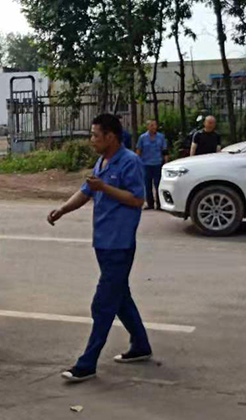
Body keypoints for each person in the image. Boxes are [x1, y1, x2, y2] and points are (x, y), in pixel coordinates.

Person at [47, 114, 152, 383]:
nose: (92, 140)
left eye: (95, 135)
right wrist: (62, 210)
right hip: (103, 242)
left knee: (103, 304)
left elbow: (137, 199)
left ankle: (87, 363)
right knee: (120, 297)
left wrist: (104, 187)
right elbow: (86, 192)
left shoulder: (129, 161)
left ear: (110, 136)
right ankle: (141, 345)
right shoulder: (102, 161)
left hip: (120, 244)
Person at [135, 119, 170, 210]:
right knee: (147, 185)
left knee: (158, 184)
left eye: (155, 125)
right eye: (151, 125)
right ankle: (150, 204)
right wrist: (137, 162)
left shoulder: (161, 137)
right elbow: (139, 150)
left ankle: (159, 204)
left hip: (157, 164)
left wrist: (166, 162)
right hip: (146, 164)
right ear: (147, 127)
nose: (154, 127)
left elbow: (165, 150)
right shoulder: (142, 138)